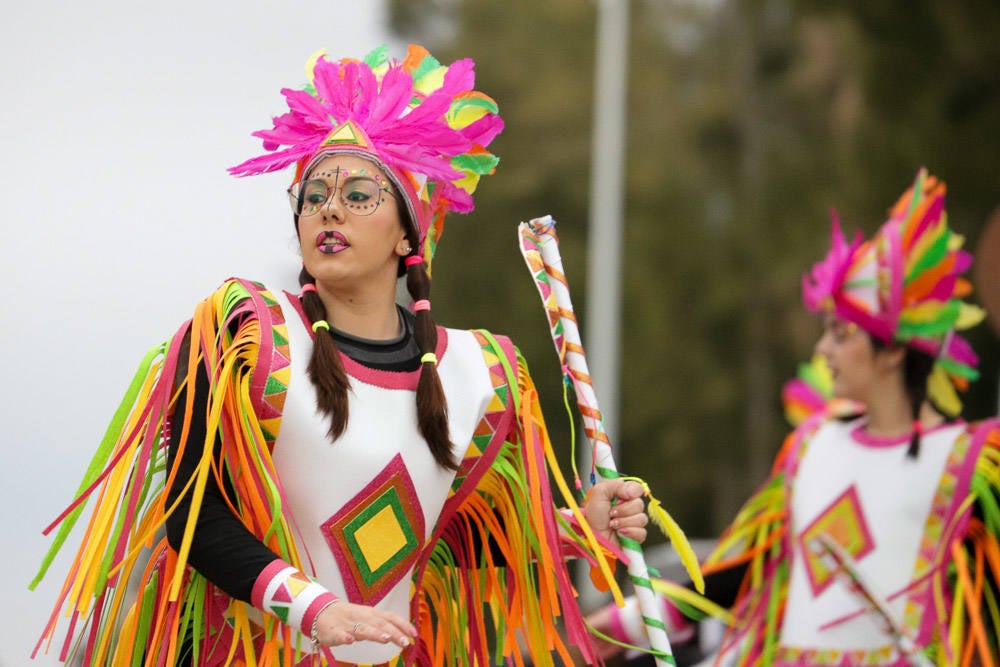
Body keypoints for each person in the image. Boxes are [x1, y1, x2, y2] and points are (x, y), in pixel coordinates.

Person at [30, 44, 651, 667]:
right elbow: (196, 510)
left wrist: (579, 528)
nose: (329, 207)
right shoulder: (243, 333)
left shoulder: (479, 372)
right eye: (313, 194)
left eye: (358, 194)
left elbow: (441, 539)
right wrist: (314, 608)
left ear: (409, 231)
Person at [588, 169, 1000, 666]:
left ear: (892, 352)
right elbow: (727, 581)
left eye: (841, 334)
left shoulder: (971, 463)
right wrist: (597, 633)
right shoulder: (812, 445)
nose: (823, 348)